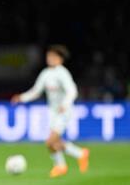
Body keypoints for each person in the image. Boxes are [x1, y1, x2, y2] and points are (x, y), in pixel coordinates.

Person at [11, 45, 89, 178]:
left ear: (60, 60)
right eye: (49, 56)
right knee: (55, 143)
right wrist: (21, 98)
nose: (50, 59)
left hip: (64, 111)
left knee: (49, 141)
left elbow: (72, 90)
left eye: (54, 57)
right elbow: (36, 91)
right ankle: (81, 154)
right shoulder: (46, 73)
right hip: (53, 112)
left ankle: (60, 166)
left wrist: (65, 103)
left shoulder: (62, 73)